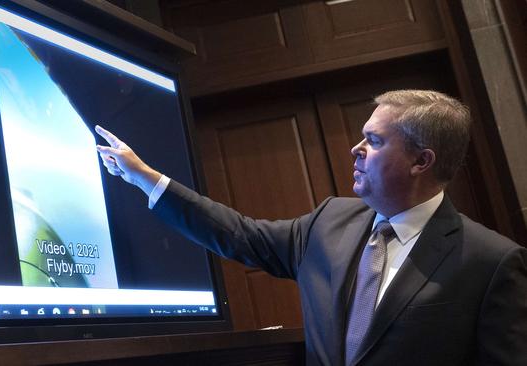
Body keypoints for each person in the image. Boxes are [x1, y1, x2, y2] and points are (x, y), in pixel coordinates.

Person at [95, 90, 527, 366]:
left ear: (421, 161)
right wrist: (146, 178)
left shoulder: (490, 262)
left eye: (374, 141)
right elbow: (239, 234)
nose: (356, 149)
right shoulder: (328, 222)